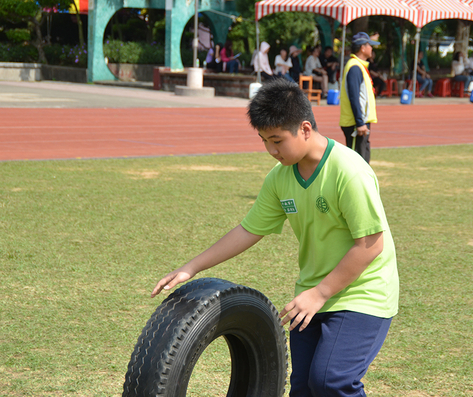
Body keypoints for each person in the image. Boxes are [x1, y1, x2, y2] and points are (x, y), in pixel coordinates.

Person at [151, 78, 399, 397]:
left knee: (331, 381)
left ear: (305, 129)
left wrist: (320, 293)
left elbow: (370, 245)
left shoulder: (349, 171)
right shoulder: (280, 178)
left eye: (278, 140)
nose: (271, 150)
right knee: (303, 389)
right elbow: (248, 229)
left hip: (364, 291)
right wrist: (192, 267)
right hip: (312, 294)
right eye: (264, 140)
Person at [339, 32, 380, 163]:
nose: (372, 49)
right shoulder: (355, 67)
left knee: (363, 158)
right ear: (363, 48)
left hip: (359, 121)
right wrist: (360, 123)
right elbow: (354, 96)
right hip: (356, 123)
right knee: (357, 162)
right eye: (370, 45)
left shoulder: (359, 66)